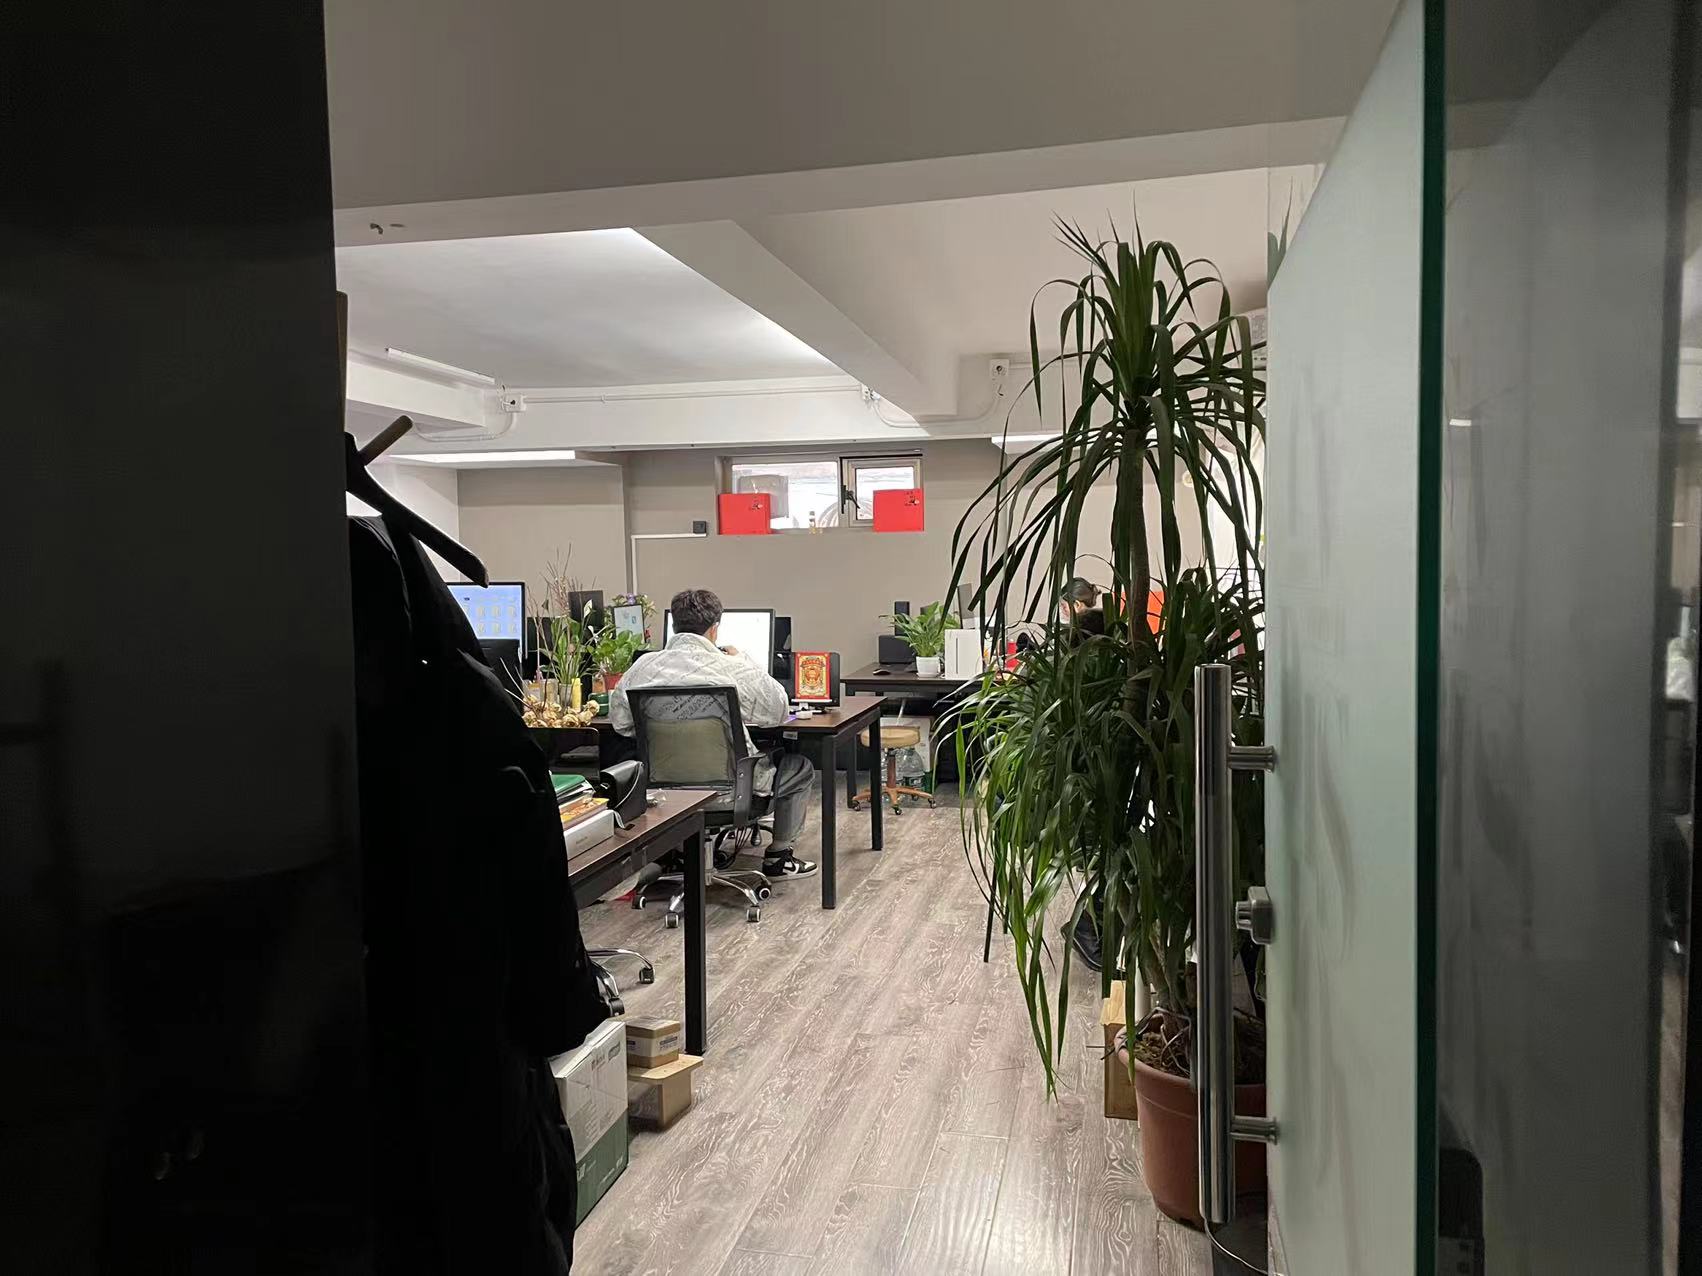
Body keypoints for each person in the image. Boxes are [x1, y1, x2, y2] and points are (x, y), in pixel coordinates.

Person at [611, 588, 817, 879]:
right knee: (799, 767)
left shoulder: (641, 668)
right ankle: (778, 858)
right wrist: (744, 660)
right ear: (714, 629)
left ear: (674, 625)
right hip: (731, 793)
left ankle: (680, 855)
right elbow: (778, 711)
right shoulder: (732, 668)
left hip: (663, 795)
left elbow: (621, 723)